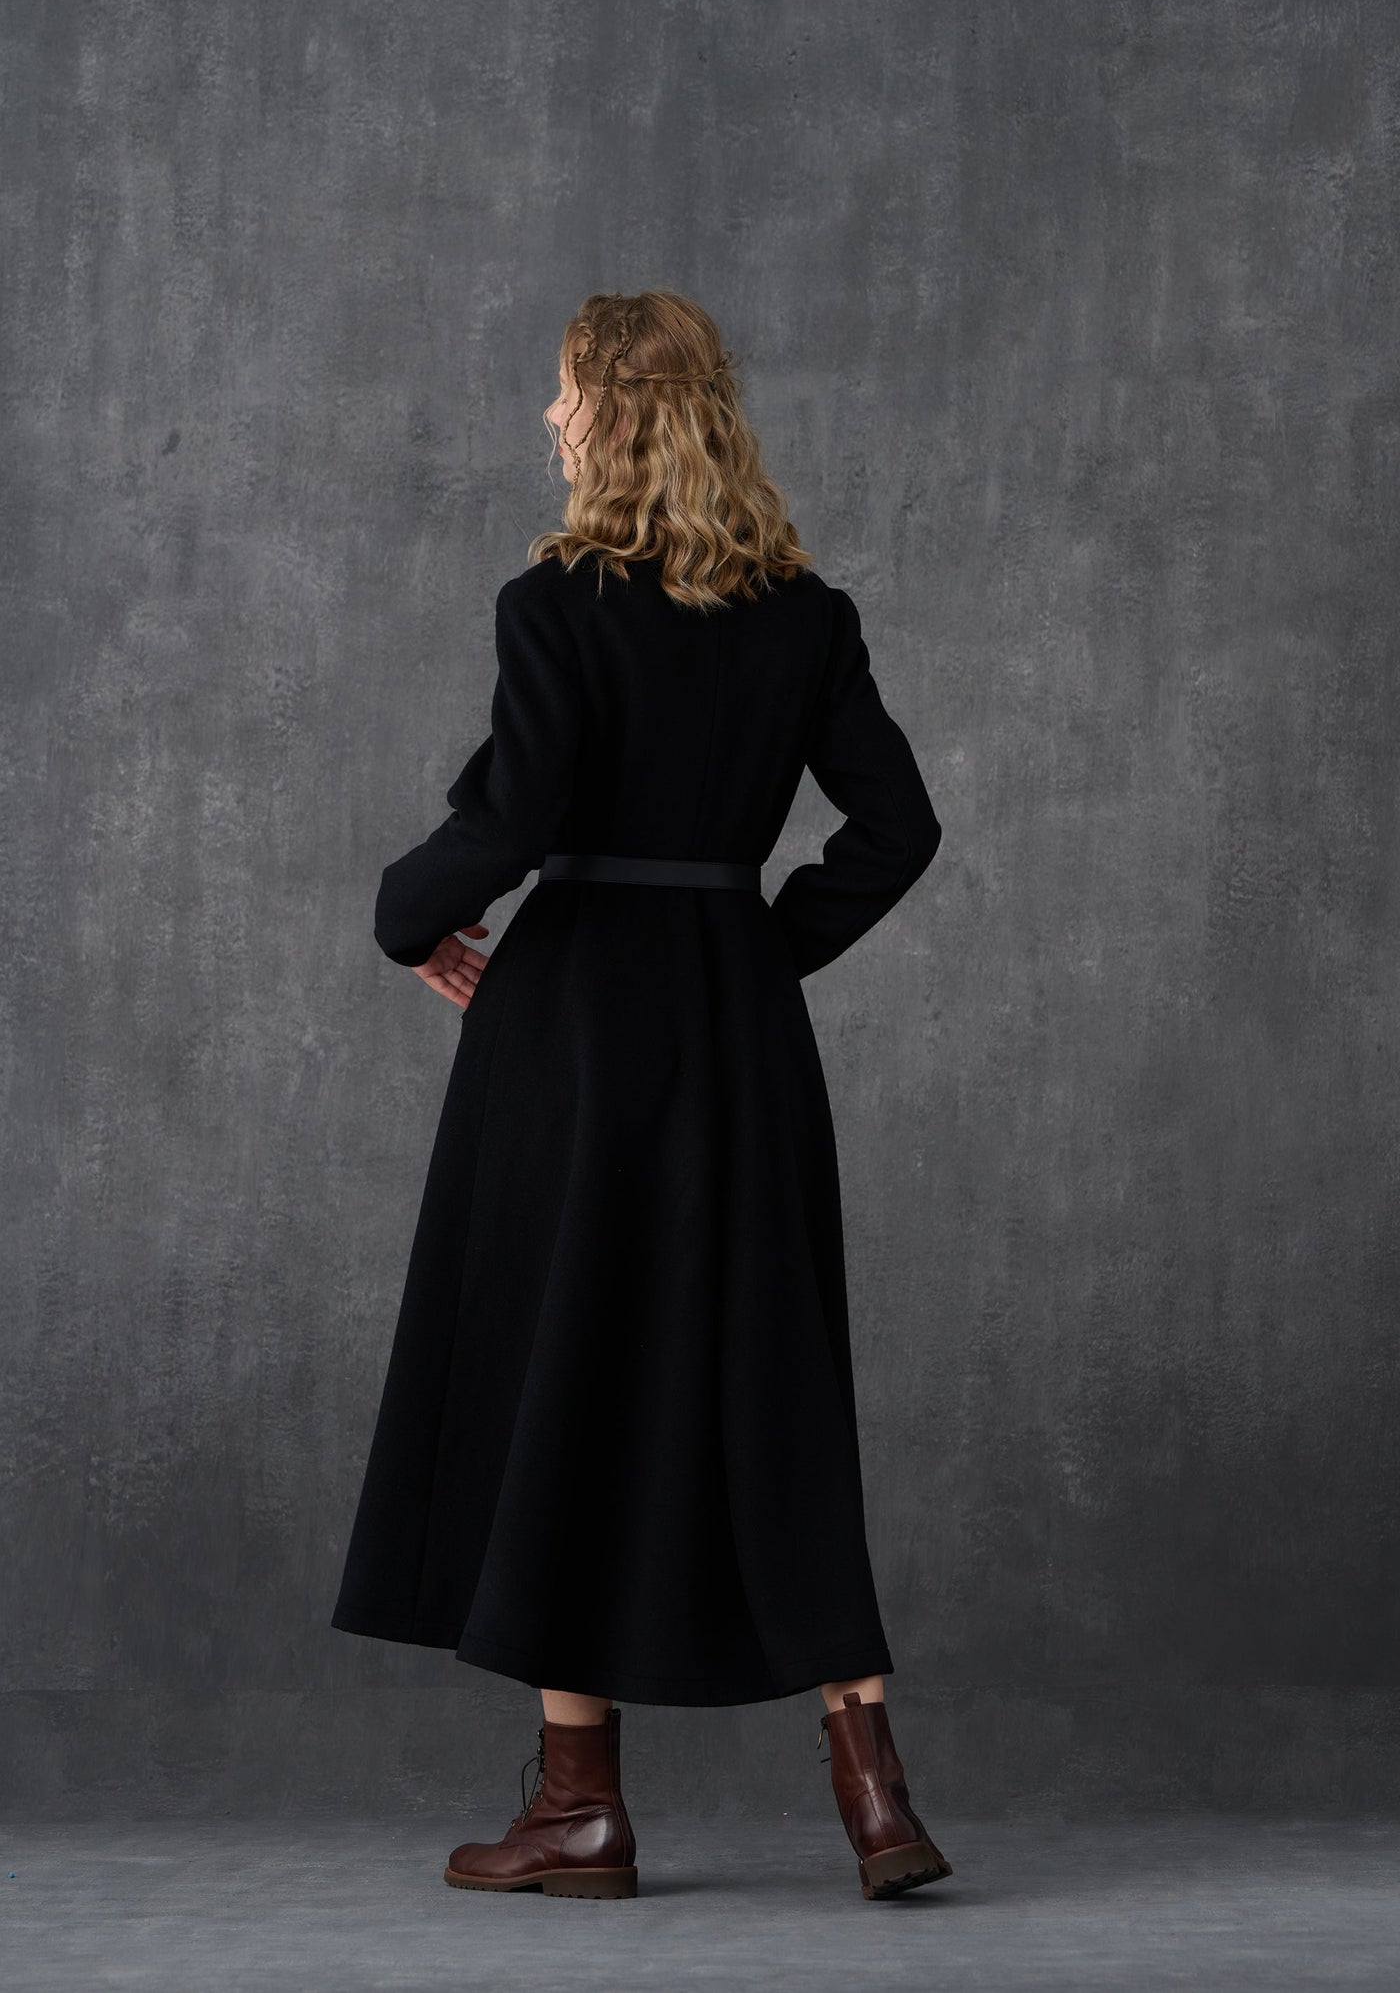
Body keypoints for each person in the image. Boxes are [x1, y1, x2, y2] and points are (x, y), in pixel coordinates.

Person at [330, 289, 953, 1904]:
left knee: (565, 1376)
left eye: (563, 395)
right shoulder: (806, 616)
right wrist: (753, 952)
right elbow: (898, 830)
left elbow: (517, 813)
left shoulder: (556, 604)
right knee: (772, 1372)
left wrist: (403, 916)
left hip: (574, 1038)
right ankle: (874, 1789)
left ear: (610, 413)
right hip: (737, 1038)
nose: (549, 419)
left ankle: (579, 1810)